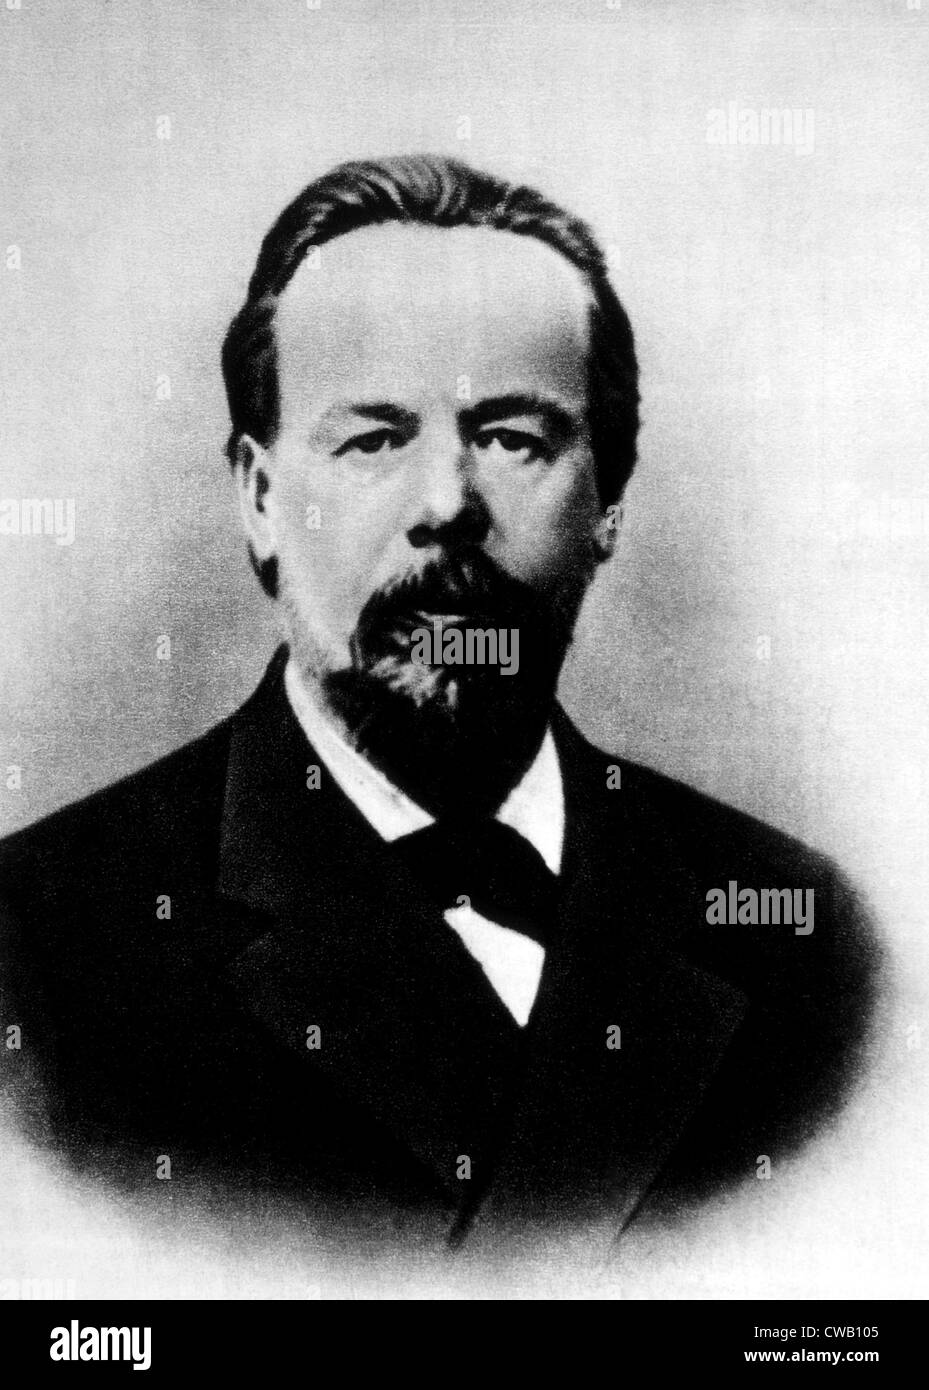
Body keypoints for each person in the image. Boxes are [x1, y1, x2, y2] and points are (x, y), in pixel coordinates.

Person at [0, 156, 880, 1250]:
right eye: (372, 440)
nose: (448, 504)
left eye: (512, 438)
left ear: (606, 502)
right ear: (260, 499)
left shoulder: (805, 935)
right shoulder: (38, 950)